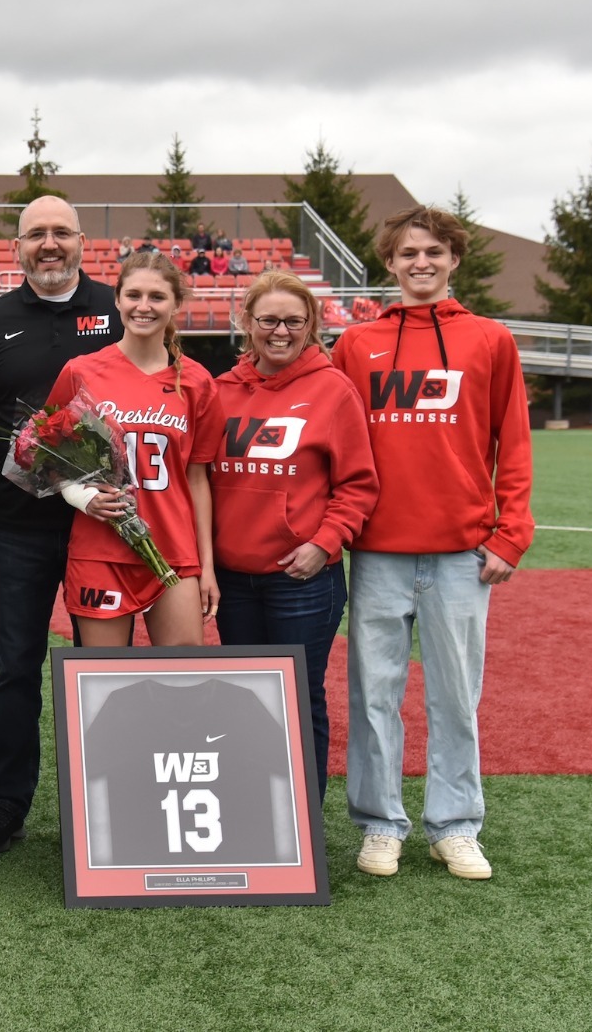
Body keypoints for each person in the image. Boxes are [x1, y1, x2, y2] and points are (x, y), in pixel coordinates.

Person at [329, 205, 534, 881]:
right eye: (408, 252)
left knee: (454, 695)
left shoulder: (490, 340)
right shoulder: (356, 346)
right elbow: (332, 444)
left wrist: (512, 532)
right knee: (375, 693)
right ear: (389, 263)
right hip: (380, 551)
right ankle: (381, 823)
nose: (421, 263)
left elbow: (514, 442)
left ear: (453, 259)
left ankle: (456, 825)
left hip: (462, 555)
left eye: (434, 252)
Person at [0, 196, 123, 856]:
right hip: (20, 528)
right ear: (18, 247)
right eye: (35, 235)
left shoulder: (117, 311)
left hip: (106, 528)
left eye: (60, 233)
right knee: (16, 670)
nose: (48, 245)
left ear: (82, 241)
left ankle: (109, 796)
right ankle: (7, 801)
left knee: (101, 668)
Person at [211, 271, 378, 803]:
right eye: (268, 320)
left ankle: (301, 820)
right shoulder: (220, 391)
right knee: (244, 699)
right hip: (235, 581)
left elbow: (358, 484)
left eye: (293, 321)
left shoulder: (333, 390)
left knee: (299, 698)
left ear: (311, 326)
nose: (279, 331)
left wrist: (324, 543)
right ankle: (253, 808)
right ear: (247, 322)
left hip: (302, 581)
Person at [50, 250, 223, 649]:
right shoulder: (81, 371)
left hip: (174, 549)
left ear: (176, 304)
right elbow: (49, 458)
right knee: (103, 679)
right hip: (101, 549)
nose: (143, 307)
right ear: (117, 298)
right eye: (134, 295)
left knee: (184, 676)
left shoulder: (197, 382)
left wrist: (207, 568)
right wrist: (83, 498)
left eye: (157, 297)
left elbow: (197, 480)